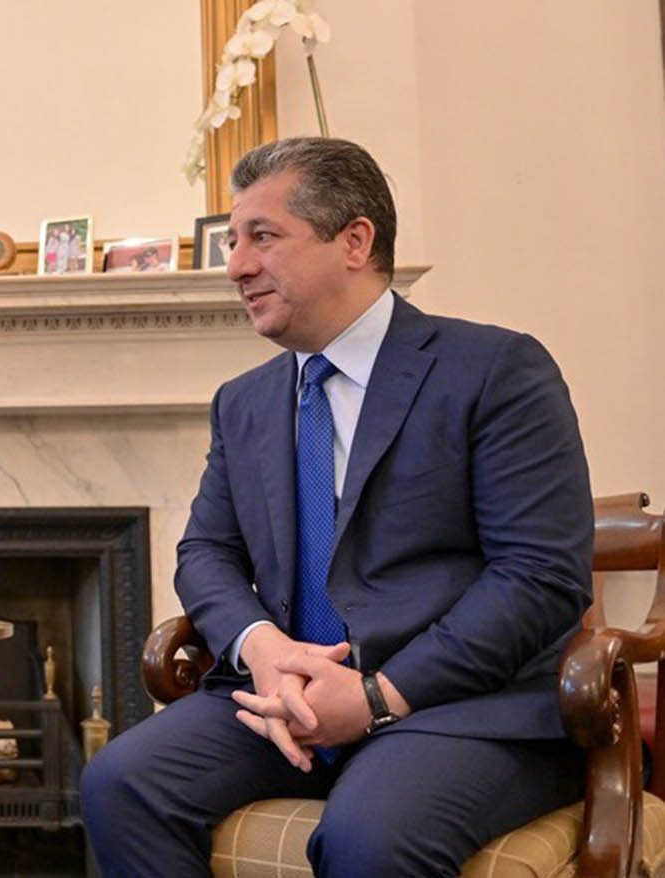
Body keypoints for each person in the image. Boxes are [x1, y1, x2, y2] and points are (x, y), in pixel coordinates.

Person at [81, 137, 591, 877]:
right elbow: (207, 554)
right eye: (232, 241)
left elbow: (540, 577)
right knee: (120, 783)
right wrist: (264, 649)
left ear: (355, 241)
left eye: (263, 237)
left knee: (368, 837)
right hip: (286, 698)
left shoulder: (494, 370)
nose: (237, 266)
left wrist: (380, 697)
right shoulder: (245, 402)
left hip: (456, 708)